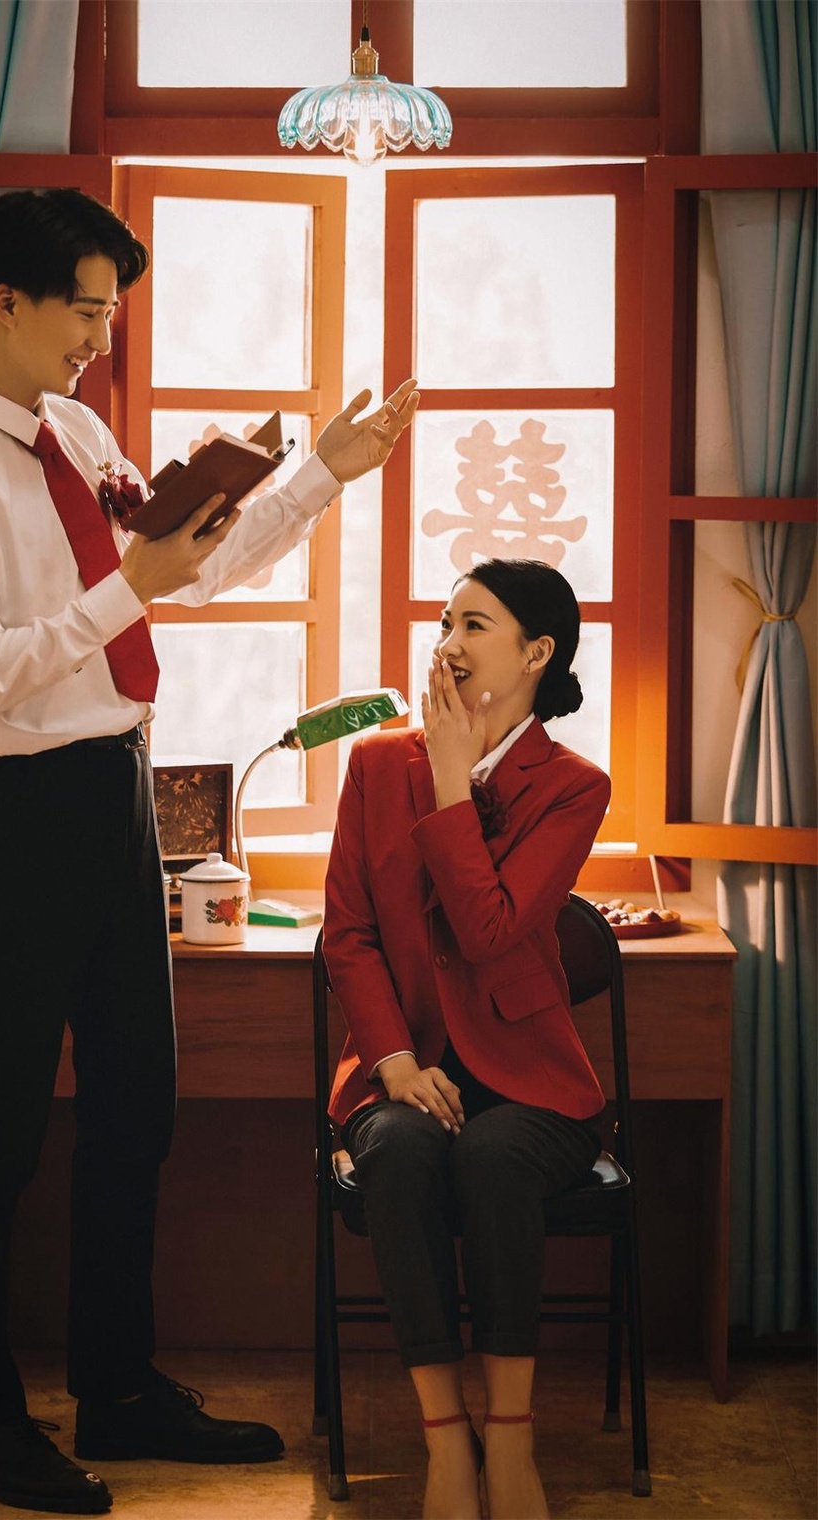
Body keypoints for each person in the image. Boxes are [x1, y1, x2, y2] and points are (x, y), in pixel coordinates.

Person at [0, 186, 418, 1517]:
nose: (97, 341)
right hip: (18, 809)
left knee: (139, 1101)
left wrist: (320, 473)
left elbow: (192, 566)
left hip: (116, 787)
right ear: (6, 300)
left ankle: (116, 1388)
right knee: (0, 1127)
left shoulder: (74, 430)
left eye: (108, 316)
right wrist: (131, 586)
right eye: (84, 311)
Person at [323, 558, 610, 1520]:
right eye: (444, 622)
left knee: (491, 1157)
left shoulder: (572, 787)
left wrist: (452, 781)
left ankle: (511, 1443)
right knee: (400, 1153)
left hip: (531, 1080)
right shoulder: (374, 766)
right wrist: (394, 1060)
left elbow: (487, 931)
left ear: (535, 653)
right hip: (401, 1065)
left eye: (473, 625)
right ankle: (446, 1440)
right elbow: (349, 934)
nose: (447, 643)